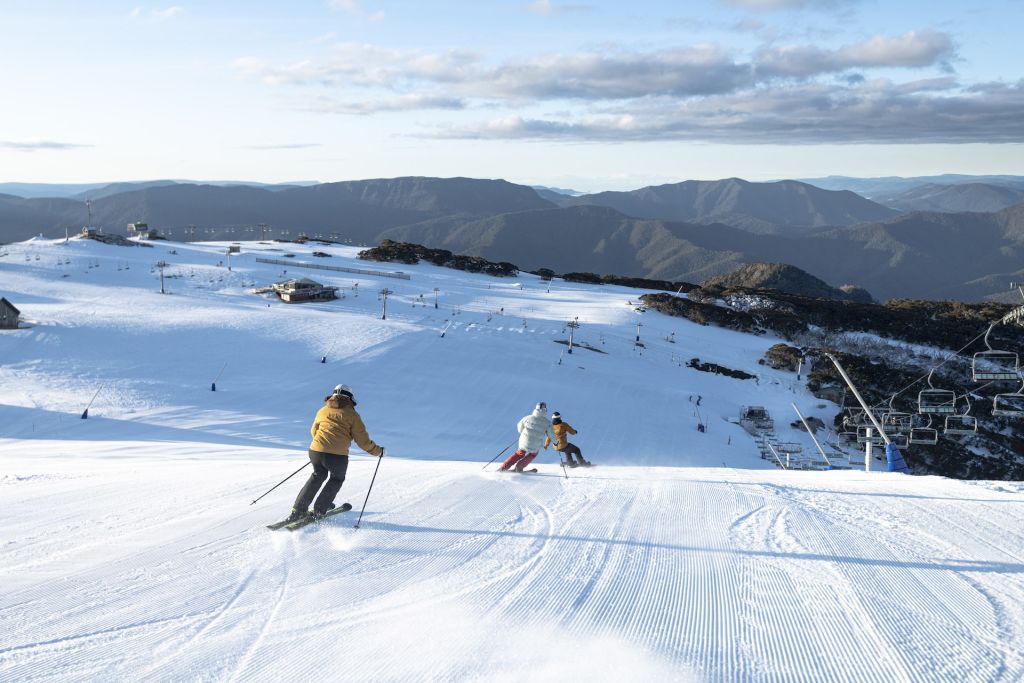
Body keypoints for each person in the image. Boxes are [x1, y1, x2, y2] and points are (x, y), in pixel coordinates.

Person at [283, 384, 385, 522]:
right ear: (350, 398)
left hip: (315, 451)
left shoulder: (323, 410)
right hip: (337, 456)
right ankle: (319, 510)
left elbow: (314, 431)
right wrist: (378, 451)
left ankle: (298, 511)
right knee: (337, 479)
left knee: (317, 475)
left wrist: (322, 446)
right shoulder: (352, 415)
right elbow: (362, 441)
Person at [499, 402, 558, 472]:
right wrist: (556, 442)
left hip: (524, 440)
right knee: (533, 454)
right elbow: (552, 435)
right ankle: (519, 467)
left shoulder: (528, 417)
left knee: (519, 453)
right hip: (535, 444)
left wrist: (523, 433)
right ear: (545, 410)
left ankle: (504, 467)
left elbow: (519, 426)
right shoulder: (547, 423)